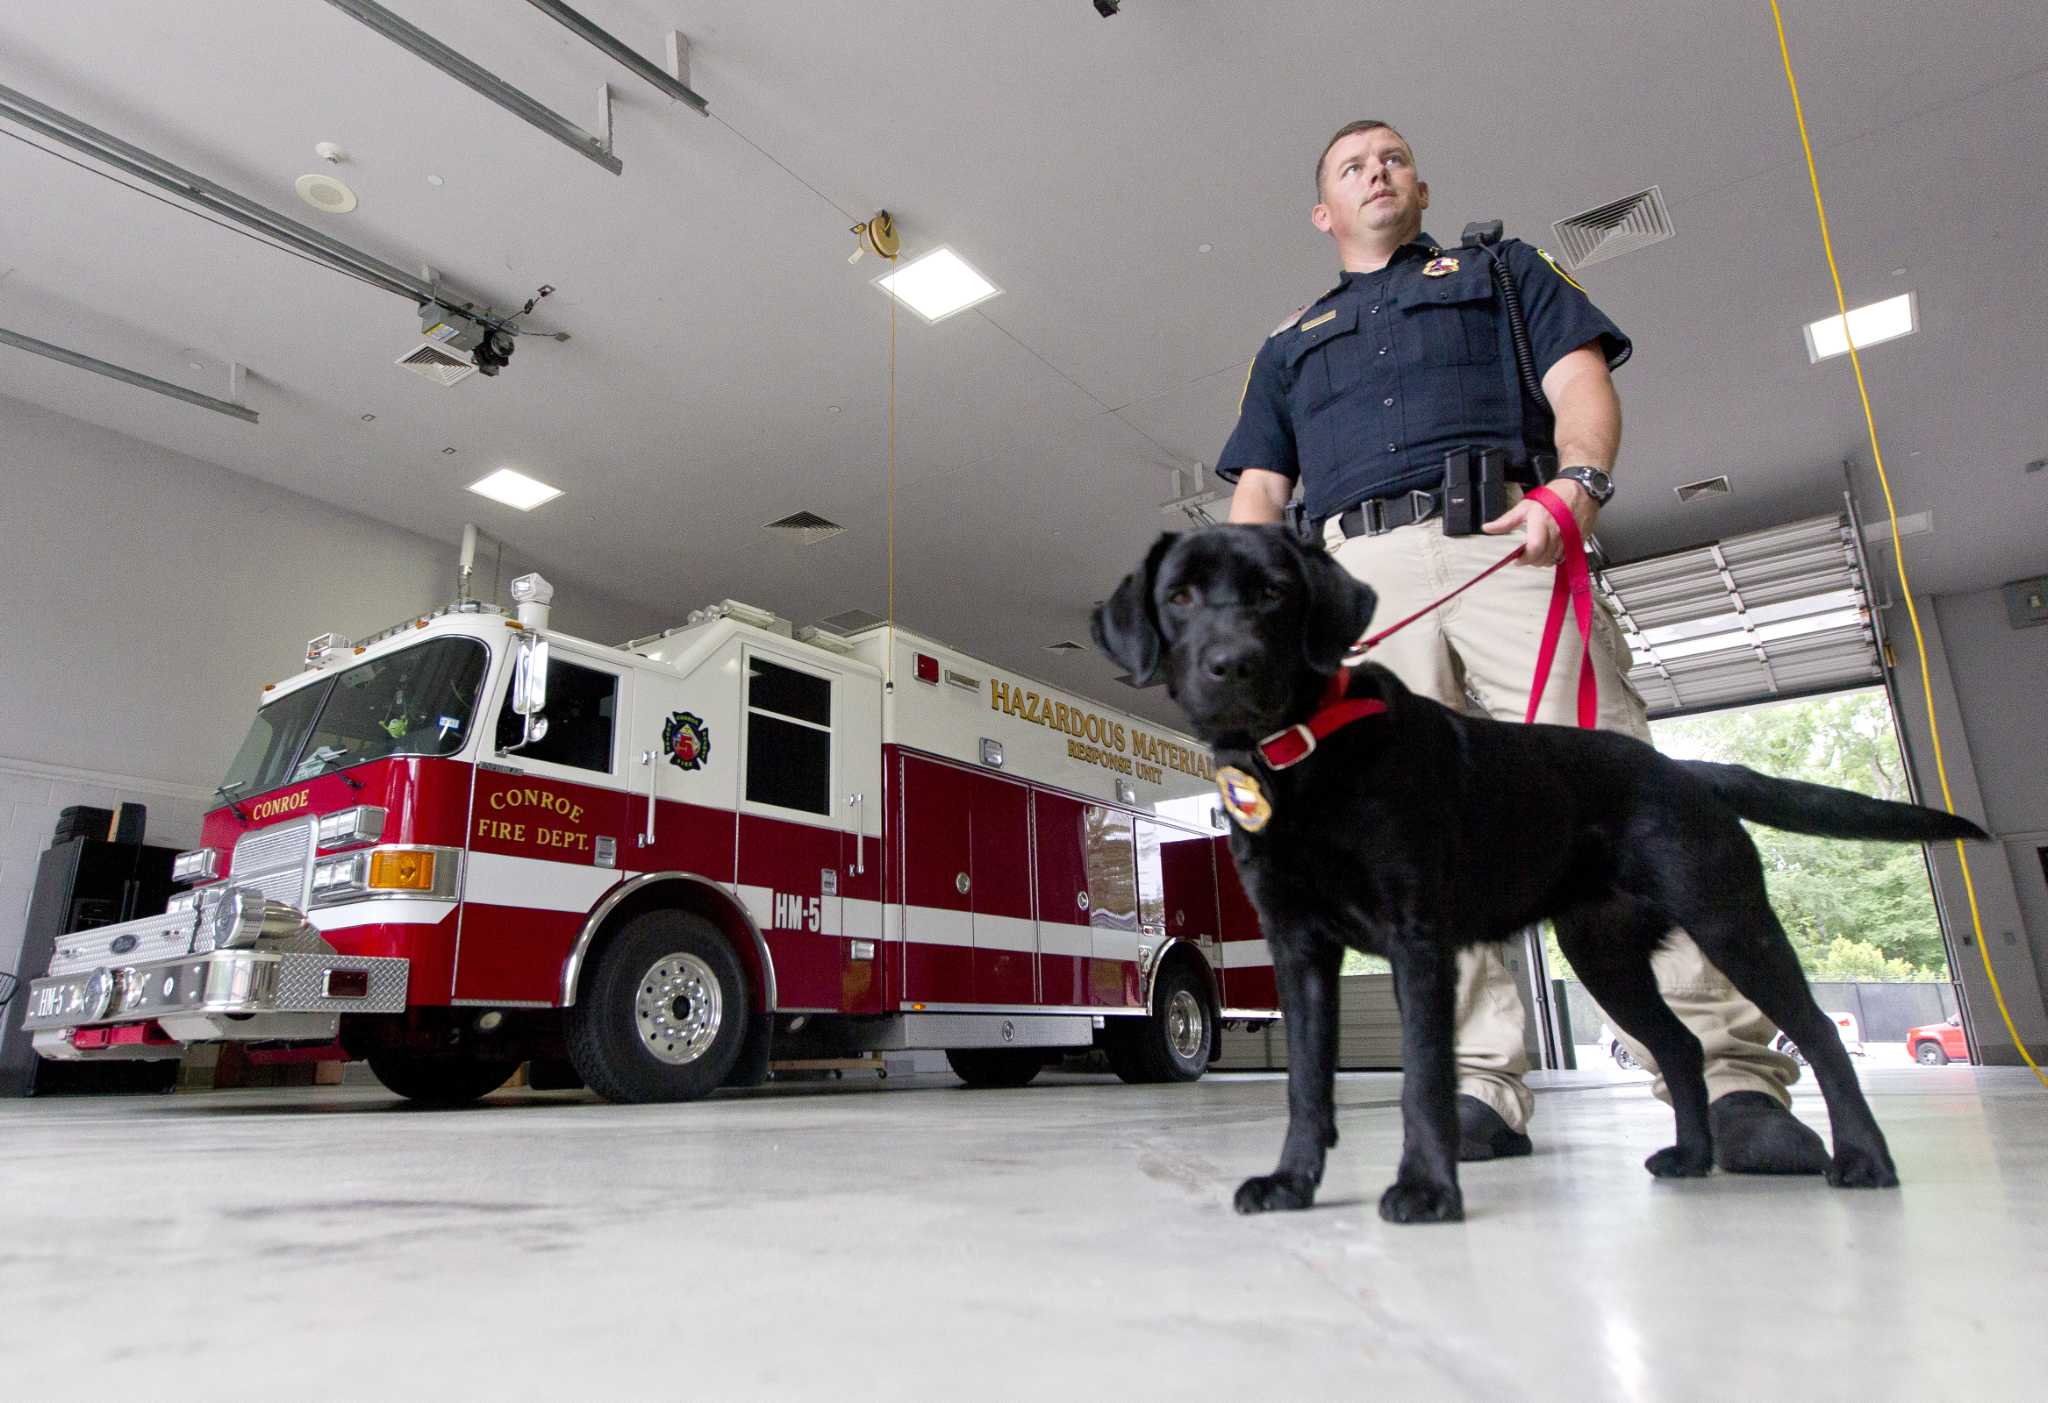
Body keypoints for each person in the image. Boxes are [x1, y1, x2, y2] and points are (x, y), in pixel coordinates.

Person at [1215, 119, 1827, 1174]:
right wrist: (1243, 604)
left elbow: (1577, 379)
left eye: (1392, 158)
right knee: (1402, 833)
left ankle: (1732, 1080)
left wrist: (1575, 481)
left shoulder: (1500, 270)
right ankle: (1473, 1082)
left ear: (1418, 183)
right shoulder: (1286, 342)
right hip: (1361, 585)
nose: (1376, 172)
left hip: (1506, 539)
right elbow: (1261, 491)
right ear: (1323, 212)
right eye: (1351, 167)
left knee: (1614, 794)